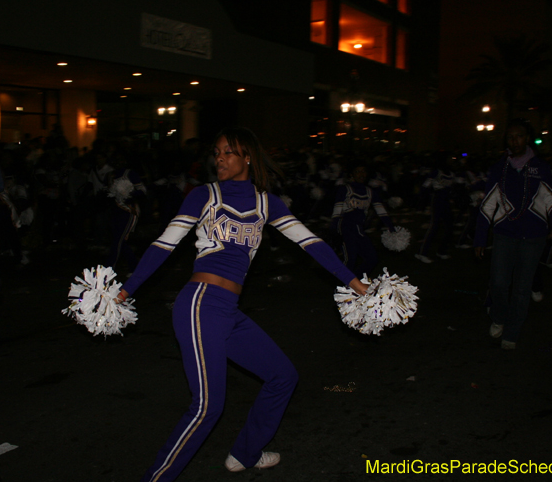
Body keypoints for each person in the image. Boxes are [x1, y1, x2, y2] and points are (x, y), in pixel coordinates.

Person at [116, 128, 368, 482]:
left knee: (283, 376)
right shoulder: (204, 195)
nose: (219, 158)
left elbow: (312, 243)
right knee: (206, 407)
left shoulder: (267, 203)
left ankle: (245, 453)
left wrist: (356, 284)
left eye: (229, 152)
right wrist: (126, 291)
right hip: (200, 304)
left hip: (228, 311)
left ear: (248, 157)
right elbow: (163, 245)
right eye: (217, 152)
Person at [474, 119, 552, 350]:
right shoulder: (499, 168)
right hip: (504, 233)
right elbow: (487, 205)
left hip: (534, 237)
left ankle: (512, 332)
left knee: (522, 288)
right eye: (510, 137)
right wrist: (480, 238)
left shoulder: (540, 167)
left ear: (527, 138)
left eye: (519, 136)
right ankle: (499, 318)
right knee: (499, 283)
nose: (514, 141)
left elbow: (551, 200)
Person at [330, 162, 395, 278]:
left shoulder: (370, 192)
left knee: (372, 258)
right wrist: (334, 230)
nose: (361, 174)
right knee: (350, 259)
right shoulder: (345, 189)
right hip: (345, 227)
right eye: (357, 171)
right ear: (352, 174)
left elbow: (381, 211)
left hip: (359, 229)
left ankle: (355, 283)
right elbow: (337, 211)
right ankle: (342, 289)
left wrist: (391, 227)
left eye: (363, 171)